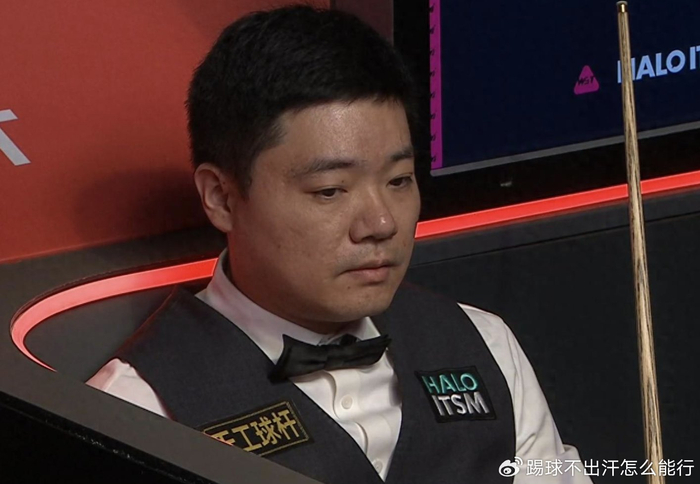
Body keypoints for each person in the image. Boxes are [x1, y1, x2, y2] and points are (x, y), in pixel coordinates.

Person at [87, 5, 592, 484]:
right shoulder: (137, 412)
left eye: (399, 180)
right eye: (330, 190)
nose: (380, 223)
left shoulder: (484, 343)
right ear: (221, 197)